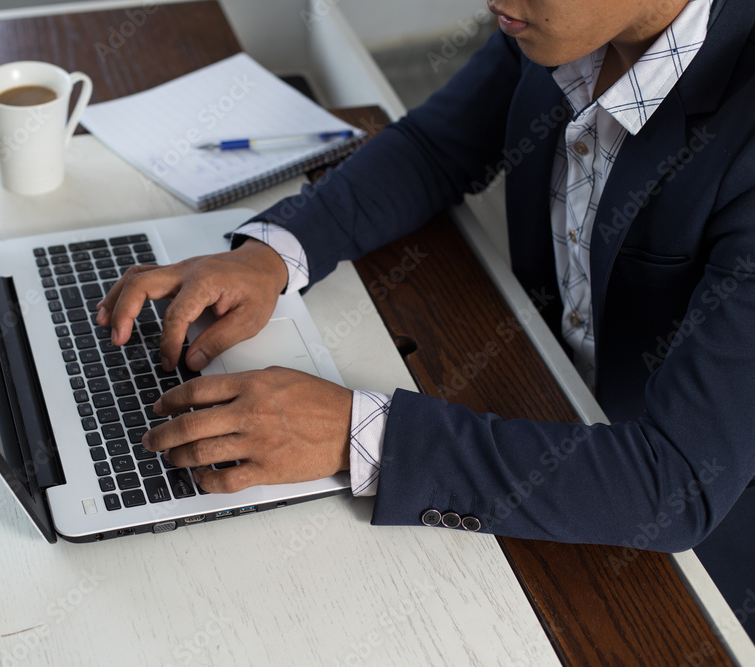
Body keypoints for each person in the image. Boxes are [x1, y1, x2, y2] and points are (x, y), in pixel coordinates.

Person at [98, 0, 755, 631]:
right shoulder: (554, 23)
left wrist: (354, 433)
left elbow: (679, 479)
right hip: (547, 408)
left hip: (698, 560)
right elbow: (438, 147)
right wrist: (271, 257)